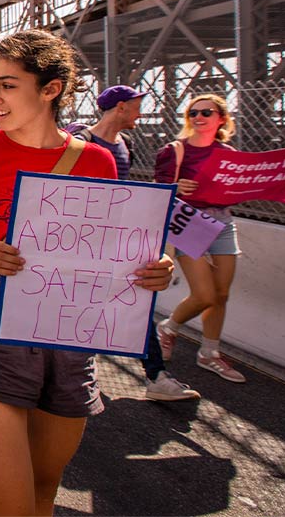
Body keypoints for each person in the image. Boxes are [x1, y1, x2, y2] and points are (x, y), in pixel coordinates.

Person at [0, 30, 175, 517]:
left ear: (51, 89)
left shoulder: (97, 161)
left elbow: (106, 250)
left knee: (43, 493)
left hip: (71, 340)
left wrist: (153, 270)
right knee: (12, 507)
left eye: (7, 85)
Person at [154, 94, 285, 384]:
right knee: (204, 295)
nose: (199, 116)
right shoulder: (174, 151)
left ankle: (209, 352)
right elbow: (157, 191)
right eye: (193, 112)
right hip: (189, 224)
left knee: (221, 294)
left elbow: (250, 183)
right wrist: (175, 185)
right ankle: (168, 327)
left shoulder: (228, 153)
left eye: (206, 112)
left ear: (221, 118)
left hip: (222, 223)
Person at [71, 85, 199, 402]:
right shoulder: (81, 141)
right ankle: (73, 373)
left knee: (137, 302)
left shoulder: (125, 143)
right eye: (139, 105)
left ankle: (156, 376)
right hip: (85, 241)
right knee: (80, 305)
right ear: (122, 107)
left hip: (119, 238)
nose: (142, 112)